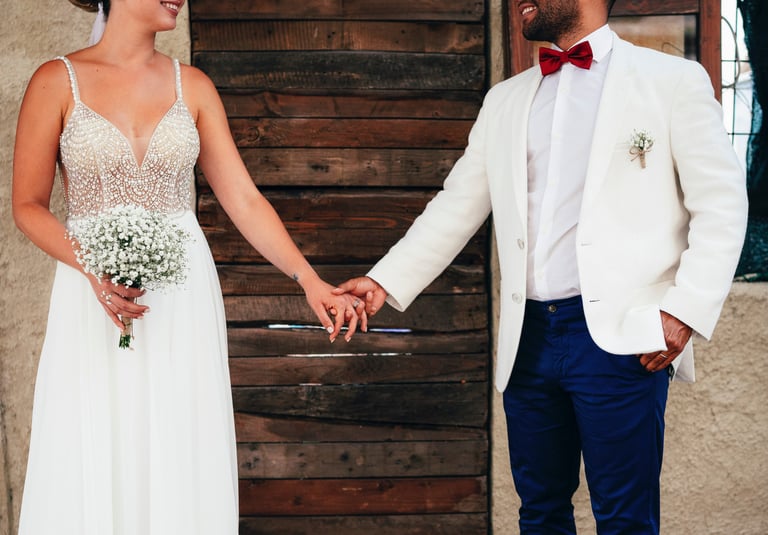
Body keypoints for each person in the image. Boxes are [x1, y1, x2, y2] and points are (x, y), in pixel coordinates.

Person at [335, 0, 748, 532]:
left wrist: (685, 310)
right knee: (540, 513)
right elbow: (457, 204)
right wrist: (383, 279)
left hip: (623, 337)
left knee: (625, 518)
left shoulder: (672, 81)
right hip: (528, 337)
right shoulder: (504, 100)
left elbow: (721, 204)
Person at [11, 0, 362, 532]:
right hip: (92, 291)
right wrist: (93, 267)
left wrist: (308, 279)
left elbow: (243, 198)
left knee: (179, 437)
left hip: (181, 295)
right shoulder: (56, 80)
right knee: (96, 432)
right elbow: (27, 205)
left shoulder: (193, 86)